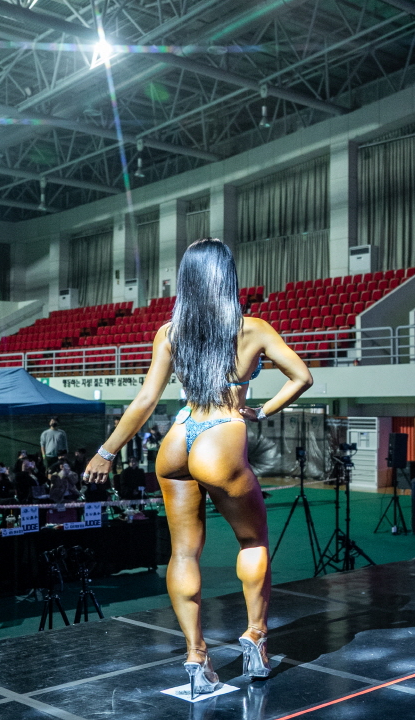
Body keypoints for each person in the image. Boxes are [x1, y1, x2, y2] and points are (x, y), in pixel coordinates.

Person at [85, 238, 312, 696]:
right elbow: (302, 377)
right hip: (222, 435)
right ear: (227, 276)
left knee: (183, 554)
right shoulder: (253, 328)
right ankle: (255, 636)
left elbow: (145, 401)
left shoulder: (170, 332)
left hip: (178, 437)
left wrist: (105, 452)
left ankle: (196, 655)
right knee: (253, 540)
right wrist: (262, 411)